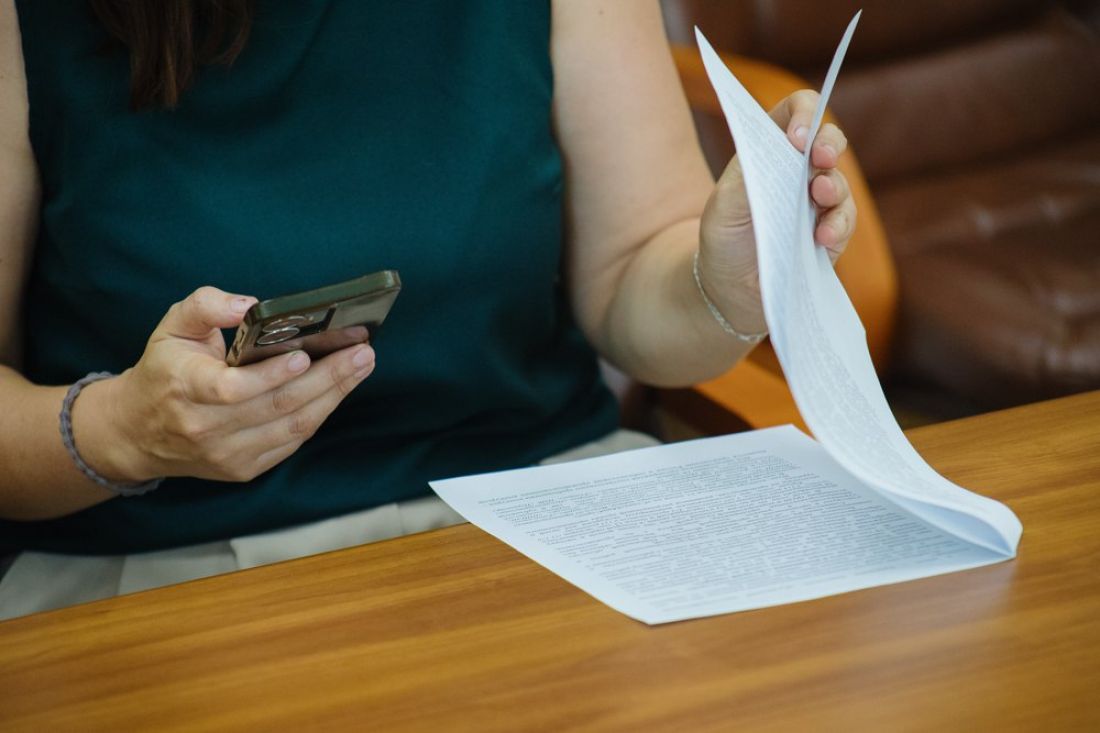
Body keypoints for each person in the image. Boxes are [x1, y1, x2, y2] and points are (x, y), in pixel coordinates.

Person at [0, 0, 855, 619]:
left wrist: (728, 280)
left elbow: (637, 270)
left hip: (554, 520)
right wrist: (122, 430)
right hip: (167, 573)